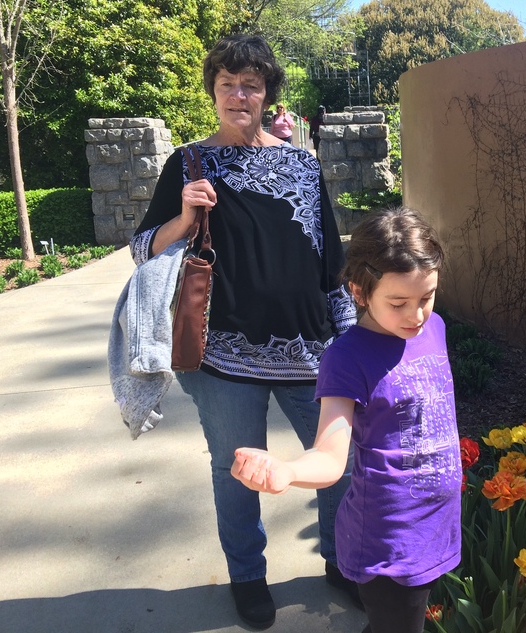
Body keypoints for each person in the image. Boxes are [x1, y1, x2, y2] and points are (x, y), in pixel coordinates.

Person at [129, 33, 358, 630]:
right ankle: (248, 578)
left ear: (266, 94)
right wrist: (183, 215)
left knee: (339, 461)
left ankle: (340, 561)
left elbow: (328, 257)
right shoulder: (187, 163)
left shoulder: (303, 166)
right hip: (223, 358)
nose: (238, 94)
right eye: (227, 84)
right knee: (235, 470)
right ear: (213, 92)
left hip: (314, 354)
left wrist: (351, 337)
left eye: (250, 85)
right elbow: (141, 250)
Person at [231, 207, 462, 633]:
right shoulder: (346, 357)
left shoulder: (436, 329)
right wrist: (288, 470)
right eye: (398, 303)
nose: (416, 315)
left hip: (437, 524)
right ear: (359, 291)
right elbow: (330, 455)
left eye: (426, 297)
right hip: (389, 536)